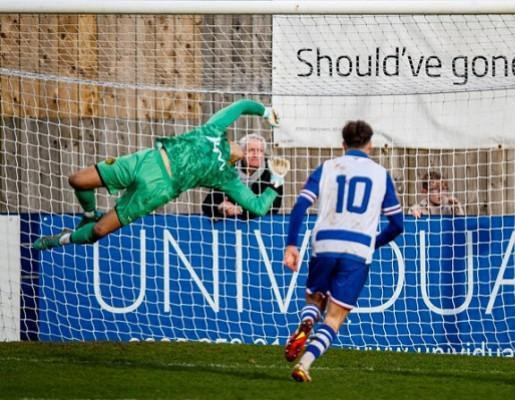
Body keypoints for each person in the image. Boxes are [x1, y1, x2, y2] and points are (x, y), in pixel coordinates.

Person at [32, 99, 283, 250]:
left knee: (99, 232)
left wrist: (277, 181)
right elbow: (241, 105)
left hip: (157, 191)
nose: (251, 152)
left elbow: (258, 207)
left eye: (257, 151)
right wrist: (265, 112)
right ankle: (87, 215)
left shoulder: (227, 177)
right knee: (77, 180)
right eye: (249, 147)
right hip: (145, 161)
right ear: (237, 142)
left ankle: (59, 239)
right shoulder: (213, 130)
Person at [282, 120, 404, 382]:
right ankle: (305, 363)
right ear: (370, 145)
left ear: (343, 145)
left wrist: (291, 244)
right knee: (335, 318)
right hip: (357, 248)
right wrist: (374, 242)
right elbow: (397, 224)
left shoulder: (327, 168)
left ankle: (306, 323)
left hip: (324, 243)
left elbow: (299, 208)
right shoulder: (380, 174)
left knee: (315, 299)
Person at [202, 133, 284, 220]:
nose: (256, 155)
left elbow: (273, 208)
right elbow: (207, 205)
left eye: (260, 151)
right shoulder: (228, 171)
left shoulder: (273, 172)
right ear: (242, 153)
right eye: (251, 150)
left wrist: (240, 211)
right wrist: (220, 208)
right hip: (230, 226)